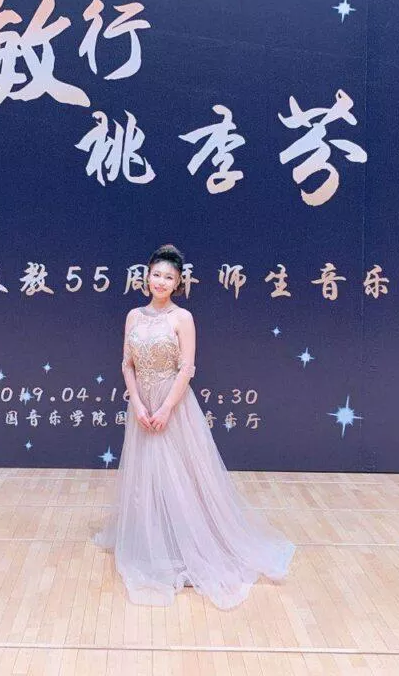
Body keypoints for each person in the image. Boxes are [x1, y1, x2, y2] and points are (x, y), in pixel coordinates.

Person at [92, 244, 295, 609]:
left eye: (168, 277)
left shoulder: (182, 318)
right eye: (156, 274)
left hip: (174, 406)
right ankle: (153, 540)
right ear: (146, 276)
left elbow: (186, 368)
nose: (160, 281)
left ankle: (188, 543)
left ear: (178, 283)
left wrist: (166, 408)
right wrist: (137, 403)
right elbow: (126, 364)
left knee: (181, 475)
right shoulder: (133, 316)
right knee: (146, 474)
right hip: (142, 406)